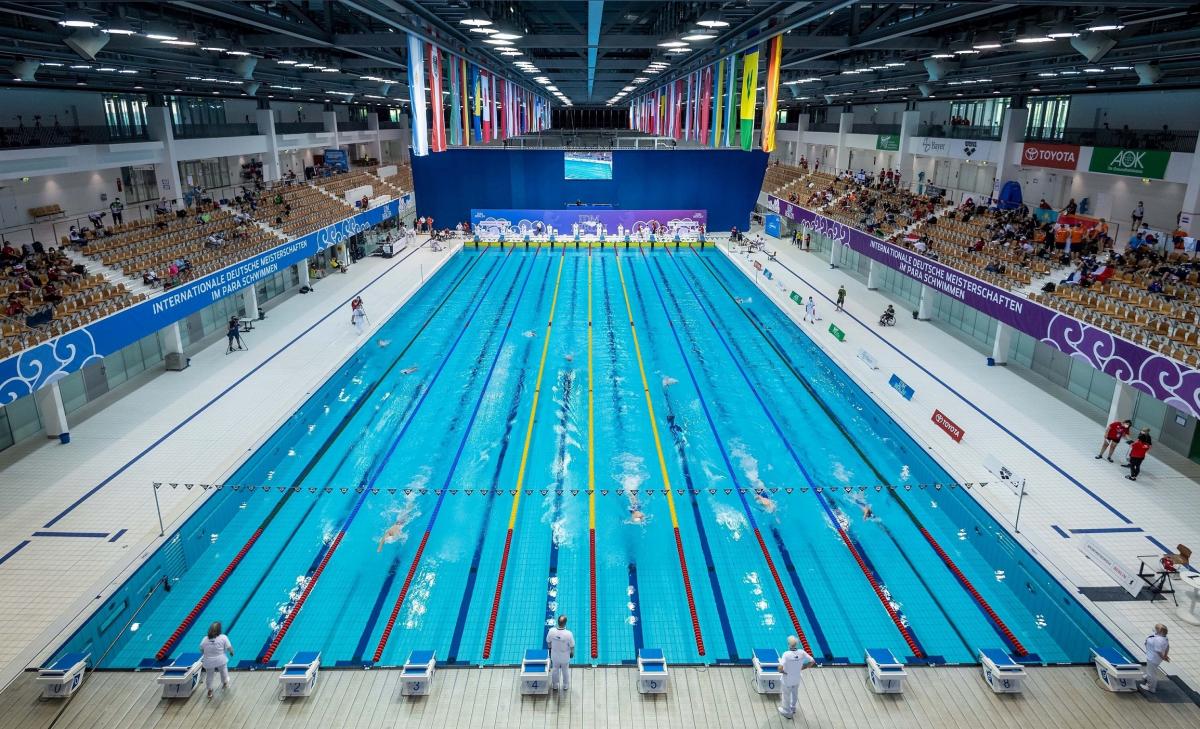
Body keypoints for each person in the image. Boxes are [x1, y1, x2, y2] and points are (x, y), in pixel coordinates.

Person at [777, 635, 815, 719]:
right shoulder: (802, 652)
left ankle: (787, 711)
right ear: (797, 644)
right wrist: (804, 667)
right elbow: (812, 661)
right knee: (794, 693)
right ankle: (793, 708)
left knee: (786, 695)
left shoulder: (786, 654)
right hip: (797, 678)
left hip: (787, 680)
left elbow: (780, 668)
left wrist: (783, 672)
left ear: (788, 644)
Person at [199, 621, 233, 699]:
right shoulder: (223, 637)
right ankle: (225, 683)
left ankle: (209, 691)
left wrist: (208, 653)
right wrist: (231, 652)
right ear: (219, 630)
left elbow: (201, 649)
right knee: (223, 671)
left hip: (208, 661)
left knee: (209, 675)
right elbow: (229, 648)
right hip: (220, 660)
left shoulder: (205, 639)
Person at [546, 614, 575, 692]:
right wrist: (572, 653)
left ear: (557, 622)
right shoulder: (568, 634)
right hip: (565, 656)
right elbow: (572, 646)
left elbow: (548, 642)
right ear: (565, 623)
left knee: (555, 670)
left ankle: (555, 685)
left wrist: (550, 649)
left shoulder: (552, 631)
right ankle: (565, 685)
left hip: (555, 655)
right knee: (565, 670)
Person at [1139, 624, 1169, 693]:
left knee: (1151, 673)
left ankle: (1151, 687)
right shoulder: (1164, 637)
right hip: (1156, 658)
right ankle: (1147, 676)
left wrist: (1164, 657)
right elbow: (1167, 646)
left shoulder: (1158, 640)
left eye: (1156, 628)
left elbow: (1158, 651)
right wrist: (1166, 655)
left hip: (1153, 658)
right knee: (1151, 669)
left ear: (1159, 631)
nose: (1154, 629)